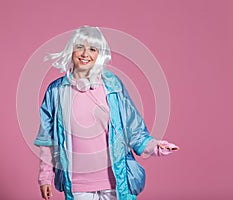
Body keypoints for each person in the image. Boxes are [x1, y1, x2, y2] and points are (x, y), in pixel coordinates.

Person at [34, 25, 179, 200]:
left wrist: (155, 146)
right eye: (80, 47)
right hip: (78, 185)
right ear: (71, 49)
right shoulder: (56, 91)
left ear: (99, 54)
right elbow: (46, 139)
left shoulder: (112, 85)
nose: (85, 54)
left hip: (115, 183)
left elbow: (133, 127)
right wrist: (45, 177)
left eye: (92, 49)